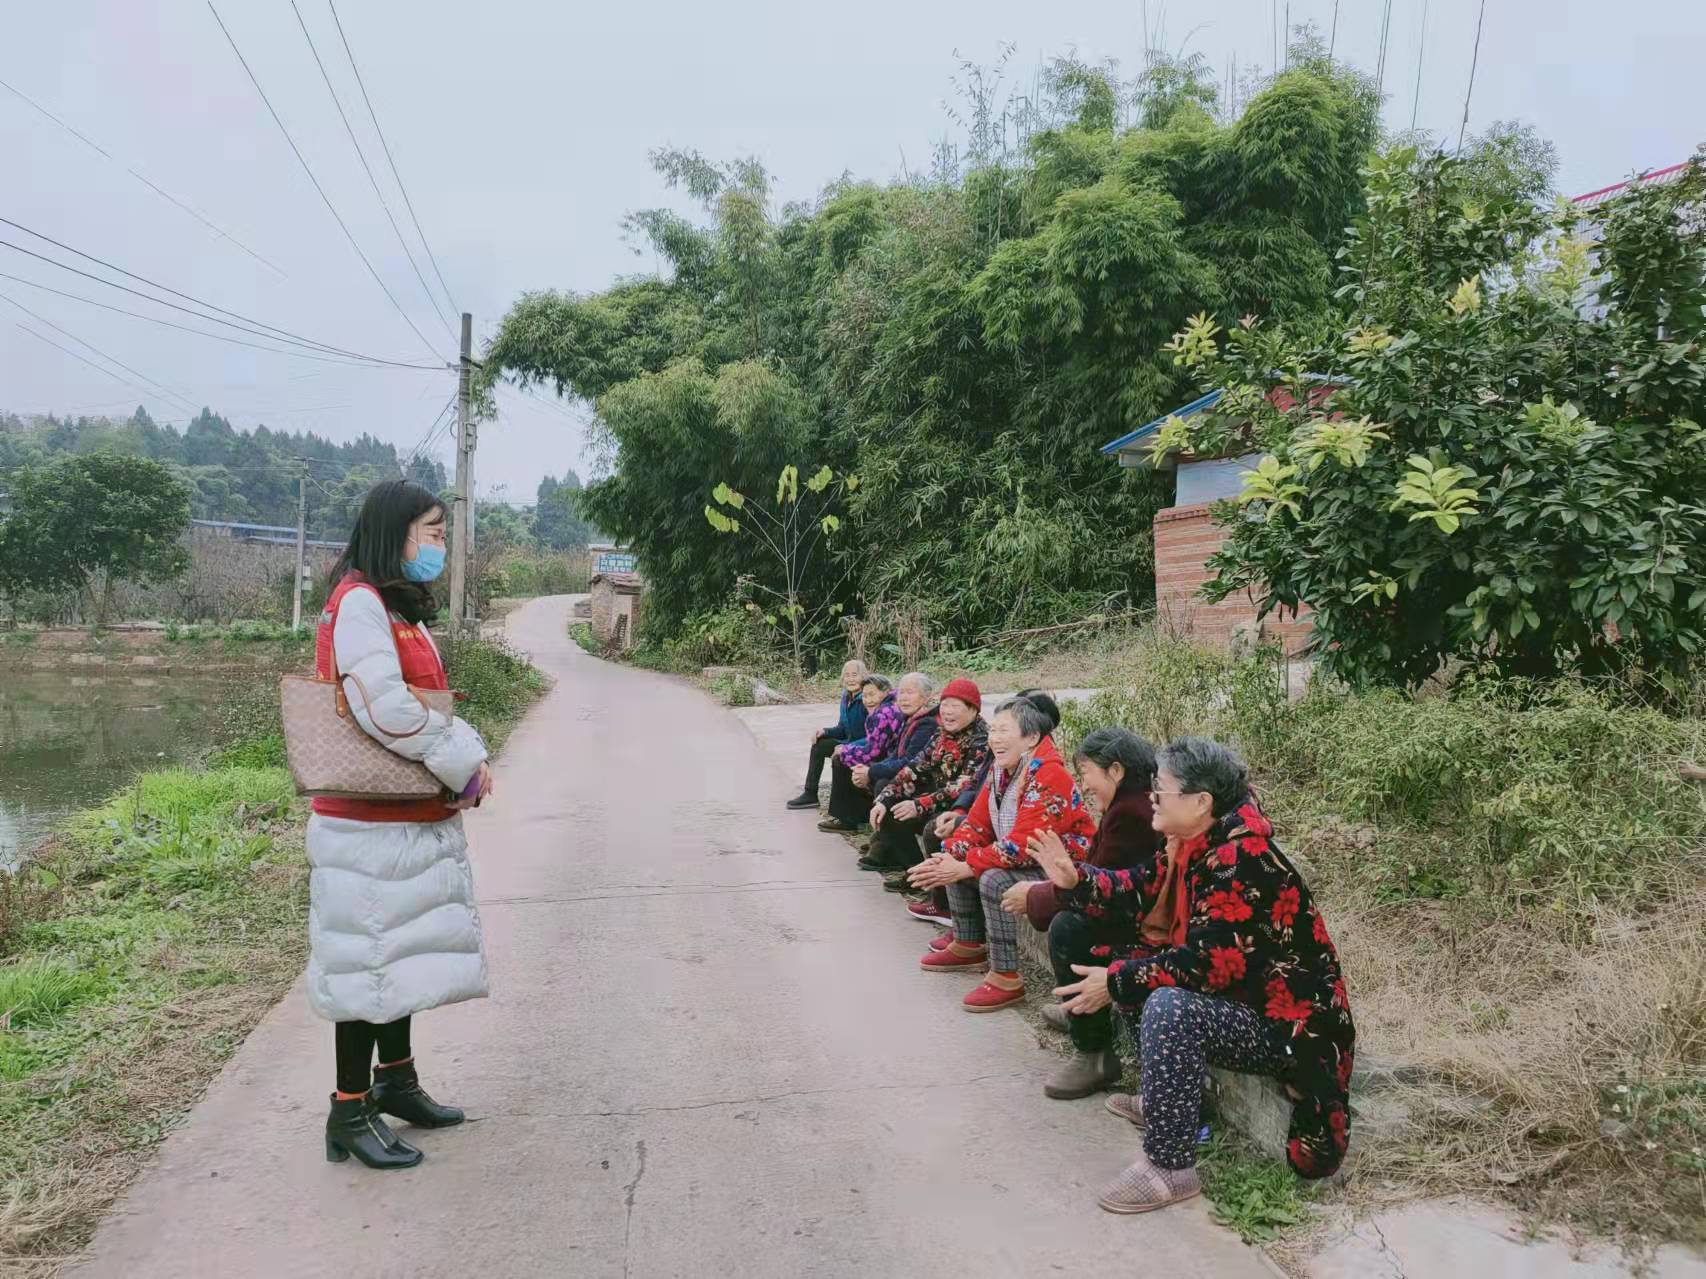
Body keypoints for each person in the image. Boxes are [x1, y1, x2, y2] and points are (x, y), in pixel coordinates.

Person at [1034, 737, 1355, 1214]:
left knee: (1162, 997)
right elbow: (1140, 887)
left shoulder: (1241, 861)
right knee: (1123, 957)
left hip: (1285, 1024)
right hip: (1242, 998)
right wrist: (1078, 879)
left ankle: (1170, 1166)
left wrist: (1116, 981)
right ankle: (1169, 1103)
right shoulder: (1191, 842)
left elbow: (1203, 966)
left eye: (1160, 790)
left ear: (1201, 802)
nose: (1151, 799)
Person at [307, 480, 493, 1171]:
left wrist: (461, 755)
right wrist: (462, 761)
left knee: (395, 954)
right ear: (395, 533)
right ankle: (349, 1107)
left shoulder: (387, 604)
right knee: (367, 964)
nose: (441, 546)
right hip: (365, 827)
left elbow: (420, 701)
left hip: (393, 821)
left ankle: (396, 1081)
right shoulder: (358, 602)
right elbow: (385, 707)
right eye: (433, 532)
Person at [907, 694, 1095, 1012]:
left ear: (1031, 737)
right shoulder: (1001, 769)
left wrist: (966, 865)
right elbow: (977, 824)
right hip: (1026, 856)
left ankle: (1007, 977)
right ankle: (968, 944)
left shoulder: (1049, 774)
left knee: (992, 877)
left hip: (1065, 866)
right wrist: (949, 855)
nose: (994, 738)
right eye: (992, 730)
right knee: (959, 853)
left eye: (1004, 730)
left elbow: (1025, 844)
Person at [1000, 727, 1159, 1098]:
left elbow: (1106, 890)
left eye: (1086, 773)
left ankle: (1094, 1052)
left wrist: (1037, 897)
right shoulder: (1128, 805)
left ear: (1116, 771)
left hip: (1147, 926)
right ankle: (1077, 1005)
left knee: (1070, 927)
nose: (1083, 785)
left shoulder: (1132, 813)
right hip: (1136, 908)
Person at [866, 677, 988, 873]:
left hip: (961, 807)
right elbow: (916, 767)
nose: (947, 711)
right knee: (890, 807)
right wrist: (883, 799)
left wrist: (919, 805)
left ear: (973, 709)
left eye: (955, 706)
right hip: (935, 799)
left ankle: (933, 884)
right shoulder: (941, 734)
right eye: (945, 705)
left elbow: (965, 786)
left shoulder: (981, 739)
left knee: (933, 827)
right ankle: (914, 872)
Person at [787, 659, 868, 810]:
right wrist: (824, 731)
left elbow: (872, 736)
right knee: (819, 744)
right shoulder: (846, 696)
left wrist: (847, 747)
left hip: (864, 747)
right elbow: (842, 728)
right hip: (848, 743)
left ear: (863, 676)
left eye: (854, 675)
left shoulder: (867, 699)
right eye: (847, 675)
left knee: (838, 757)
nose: (850, 679)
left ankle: (838, 810)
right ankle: (810, 794)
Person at [819, 675, 897, 832]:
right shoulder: (877, 707)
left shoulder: (884, 712)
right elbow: (869, 741)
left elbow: (873, 751)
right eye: (865, 696)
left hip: (891, 760)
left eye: (872, 695)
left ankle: (847, 819)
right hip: (886, 755)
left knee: (842, 760)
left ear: (886, 692)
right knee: (830, 750)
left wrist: (846, 750)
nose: (868, 700)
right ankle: (851, 814)